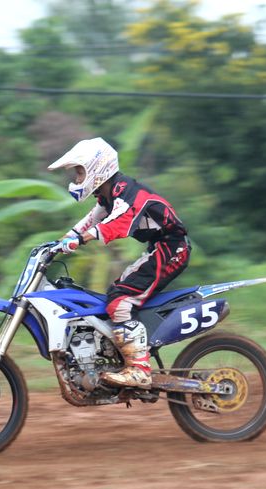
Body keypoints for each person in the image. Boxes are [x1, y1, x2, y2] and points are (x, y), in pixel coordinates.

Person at [48, 137, 190, 388]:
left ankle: (139, 369)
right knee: (115, 292)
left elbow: (117, 223)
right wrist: (58, 243)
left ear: (97, 168)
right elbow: (90, 220)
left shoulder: (128, 193)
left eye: (80, 172)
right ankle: (124, 353)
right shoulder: (109, 195)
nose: (77, 179)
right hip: (160, 247)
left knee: (120, 299)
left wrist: (79, 240)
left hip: (172, 248)